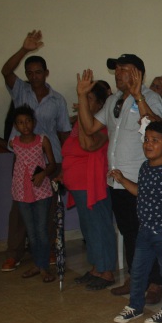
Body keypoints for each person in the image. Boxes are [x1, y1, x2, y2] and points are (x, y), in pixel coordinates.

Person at [76, 55, 162, 304]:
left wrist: (139, 97)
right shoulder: (114, 100)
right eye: (116, 70)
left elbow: (155, 129)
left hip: (141, 180)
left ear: (138, 74)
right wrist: (82, 96)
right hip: (117, 180)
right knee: (129, 232)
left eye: (124, 70)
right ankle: (137, 278)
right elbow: (90, 127)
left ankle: (157, 283)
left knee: (148, 233)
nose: (117, 74)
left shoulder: (151, 98)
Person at [0, 30, 71, 272]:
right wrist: (25, 49)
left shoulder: (58, 100)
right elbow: (6, 71)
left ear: (46, 73)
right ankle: (15, 253)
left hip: (50, 160)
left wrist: (66, 163)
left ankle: (48, 249)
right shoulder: (20, 90)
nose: (34, 77)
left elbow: (63, 132)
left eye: (38, 72)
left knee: (48, 207)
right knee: (20, 208)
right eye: (29, 73)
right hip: (23, 159)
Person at [111, 121, 162, 323]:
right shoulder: (145, 168)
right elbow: (140, 192)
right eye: (146, 140)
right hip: (145, 231)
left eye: (155, 141)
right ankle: (135, 306)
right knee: (138, 270)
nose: (148, 144)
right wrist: (123, 180)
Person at [65, 80, 117, 290]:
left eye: (89, 99)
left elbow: (87, 146)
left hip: (92, 185)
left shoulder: (102, 126)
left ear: (100, 105)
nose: (84, 103)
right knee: (88, 229)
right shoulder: (79, 123)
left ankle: (107, 272)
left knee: (99, 227)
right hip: (78, 185)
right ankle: (96, 267)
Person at [8, 106, 57, 282]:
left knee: (42, 230)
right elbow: (17, 165)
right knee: (31, 231)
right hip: (22, 192)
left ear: (34, 122)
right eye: (20, 122)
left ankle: (44, 267)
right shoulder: (14, 143)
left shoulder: (42, 140)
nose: (25, 125)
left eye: (28, 121)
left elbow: (52, 163)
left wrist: (43, 173)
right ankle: (37, 264)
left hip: (41, 190)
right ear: (16, 125)